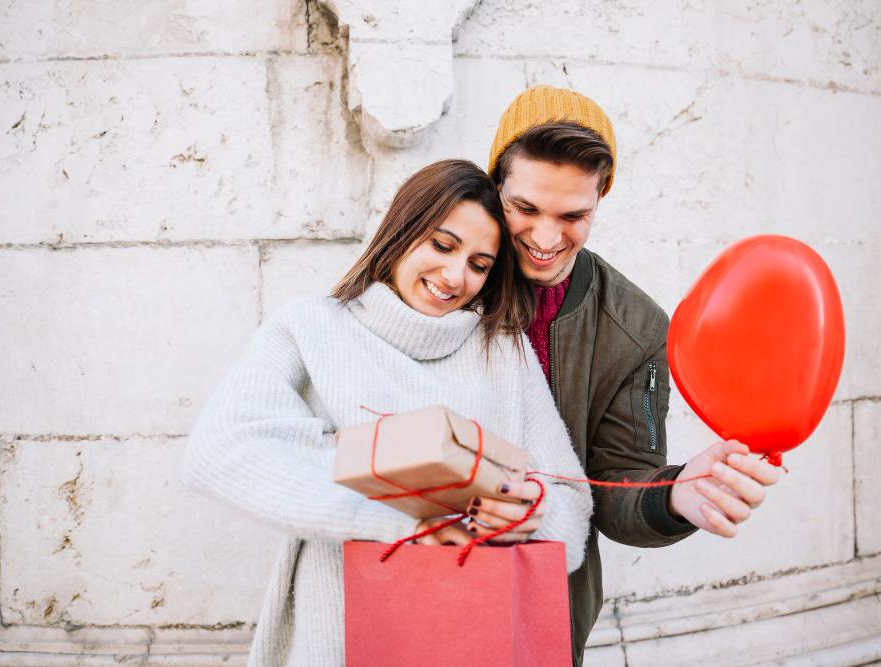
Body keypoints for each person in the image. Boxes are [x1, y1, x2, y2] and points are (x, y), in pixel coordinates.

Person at [180, 159, 593, 666]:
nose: (454, 276)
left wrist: (531, 513)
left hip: (473, 637)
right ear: (402, 231)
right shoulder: (311, 327)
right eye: (442, 245)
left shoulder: (503, 351)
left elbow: (572, 514)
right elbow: (219, 451)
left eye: (479, 264)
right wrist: (405, 522)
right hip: (338, 634)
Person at [478, 85, 782, 664]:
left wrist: (676, 495)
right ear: (495, 186)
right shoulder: (442, 271)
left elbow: (616, 482)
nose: (546, 239)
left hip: (546, 607)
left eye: (573, 216)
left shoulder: (637, 327)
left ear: (602, 196)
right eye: (525, 209)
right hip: (408, 577)